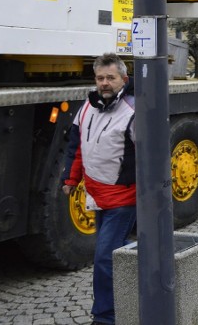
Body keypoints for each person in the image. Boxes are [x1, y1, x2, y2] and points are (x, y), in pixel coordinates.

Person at [62, 53, 136, 325]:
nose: (104, 83)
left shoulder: (132, 111)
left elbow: (151, 158)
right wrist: (71, 180)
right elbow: (78, 147)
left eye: (110, 78)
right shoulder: (87, 108)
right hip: (96, 197)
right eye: (100, 78)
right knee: (117, 251)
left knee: (104, 258)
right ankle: (154, 257)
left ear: (123, 80)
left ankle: (105, 318)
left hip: (123, 199)